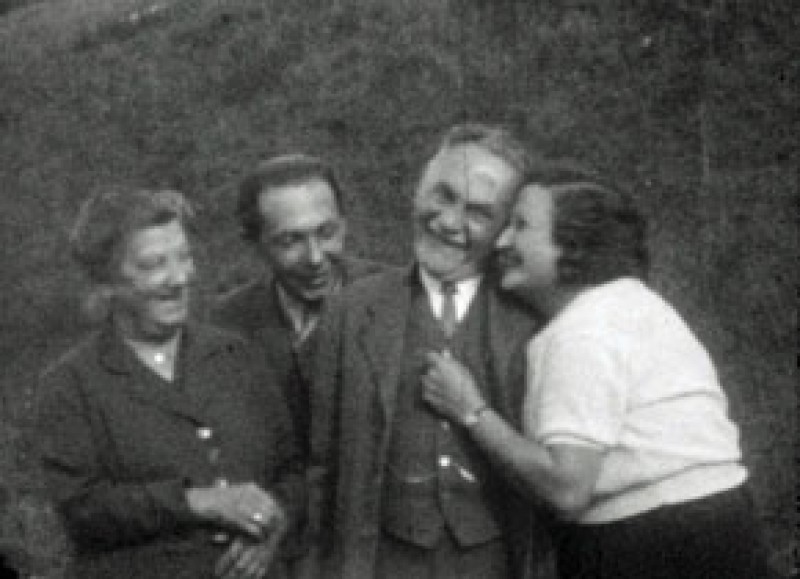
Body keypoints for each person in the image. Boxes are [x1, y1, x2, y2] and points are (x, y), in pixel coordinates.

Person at [421, 169, 775, 579]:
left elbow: (566, 490)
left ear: (573, 246)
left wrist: (471, 411)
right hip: (708, 528)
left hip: (654, 544)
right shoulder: (627, 303)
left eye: (520, 227)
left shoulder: (585, 331)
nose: (501, 242)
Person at [309, 124, 555, 579]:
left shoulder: (533, 320)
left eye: (479, 212)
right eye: (441, 195)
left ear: (506, 229)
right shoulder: (351, 310)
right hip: (383, 563)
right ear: (418, 187)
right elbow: (321, 469)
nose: (448, 222)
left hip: (494, 562)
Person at [36, 186, 305, 579]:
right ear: (107, 281)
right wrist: (197, 502)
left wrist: (274, 526)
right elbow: (82, 510)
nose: (179, 278)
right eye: (153, 264)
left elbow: (292, 471)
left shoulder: (237, 356)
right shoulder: (71, 385)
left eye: (184, 257)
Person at [213, 154, 391, 458]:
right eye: (289, 241)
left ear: (344, 224)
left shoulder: (397, 300)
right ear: (255, 244)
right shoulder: (224, 325)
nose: (315, 258)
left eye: (326, 233)